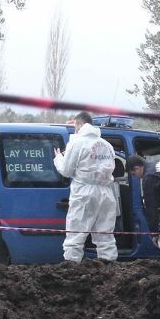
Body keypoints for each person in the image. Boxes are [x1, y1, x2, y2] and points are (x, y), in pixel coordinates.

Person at [52, 111, 117, 262]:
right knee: (105, 236)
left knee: (75, 235)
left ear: (79, 124)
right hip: (107, 193)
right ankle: (109, 271)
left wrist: (58, 158)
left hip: (84, 192)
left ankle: (72, 269)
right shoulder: (107, 145)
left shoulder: (77, 142)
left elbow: (67, 171)